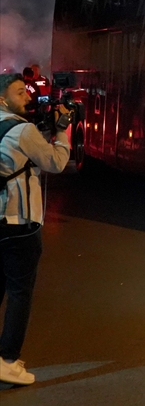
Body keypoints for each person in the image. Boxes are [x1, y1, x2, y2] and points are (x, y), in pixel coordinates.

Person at [0, 73, 71, 386]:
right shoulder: (22, 130)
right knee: (20, 294)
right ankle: (7, 360)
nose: (27, 97)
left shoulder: (15, 128)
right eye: (19, 92)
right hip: (20, 224)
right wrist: (62, 132)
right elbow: (54, 162)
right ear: (3, 98)